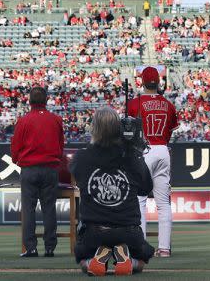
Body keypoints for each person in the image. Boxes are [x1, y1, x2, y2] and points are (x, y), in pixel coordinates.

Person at [71, 107, 154, 276]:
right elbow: (146, 188)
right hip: (129, 232)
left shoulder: (82, 157)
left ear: (94, 128)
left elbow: (81, 181)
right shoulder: (132, 156)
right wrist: (133, 148)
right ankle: (125, 256)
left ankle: (97, 256)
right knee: (139, 265)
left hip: (94, 232)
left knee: (82, 261)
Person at [126, 67, 177, 258]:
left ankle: (140, 247)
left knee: (139, 201)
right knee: (163, 203)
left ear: (142, 82)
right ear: (158, 82)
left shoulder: (134, 103)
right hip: (163, 149)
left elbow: (128, 133)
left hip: (144, 151)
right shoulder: (168, 104)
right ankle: (164, 248)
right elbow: (170, 131)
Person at [11, 86, 65, 257]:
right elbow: (60, 145)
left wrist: (17, 160)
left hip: (29, 169)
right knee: (49, 208)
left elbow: (15, 147)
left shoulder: (23, 120)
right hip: (50, 168)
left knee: (28, 209)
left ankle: (31, 248)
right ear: (46, 100)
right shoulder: (56, 120)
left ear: (29, 100)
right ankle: (50, 247)